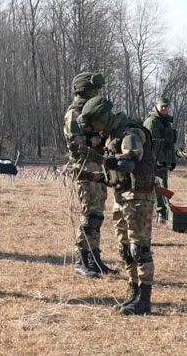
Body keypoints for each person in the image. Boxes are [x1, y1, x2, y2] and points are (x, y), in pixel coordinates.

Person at [78, 97, 156, 315]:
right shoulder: (113, 136)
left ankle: (144, 299)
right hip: (122, 197)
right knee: (125, 249)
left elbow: (128, 164)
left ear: (102, 118)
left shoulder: (129, 133)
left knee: (139, 249)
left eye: (96, 124)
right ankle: (133, 293)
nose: (96, 130)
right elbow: (113, 176)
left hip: (138, 197)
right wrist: (89, 175)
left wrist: (101, 160)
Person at [63, 73, 116, 278]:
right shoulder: (74, 113)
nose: (98, 93)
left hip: (98, 167)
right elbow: (77, 144)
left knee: (98, 214)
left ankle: (94, 257)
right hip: (85, 168)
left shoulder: (92, 110)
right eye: (95, 90)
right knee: (90, 215)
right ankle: (81, 260)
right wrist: (100, 139)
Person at [143, 98, 177, 223]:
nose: (164, 108)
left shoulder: (165, 122)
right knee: (157, 186)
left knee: (163, 186)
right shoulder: (152, 122)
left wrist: (172, 160)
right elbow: (153, 145)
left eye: (166, 106)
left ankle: (163, 211)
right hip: (154, 160)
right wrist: (160, 161)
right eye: (162, 106)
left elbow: (170, 144)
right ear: (156, 106)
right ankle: (160, 212)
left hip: (164, 160)